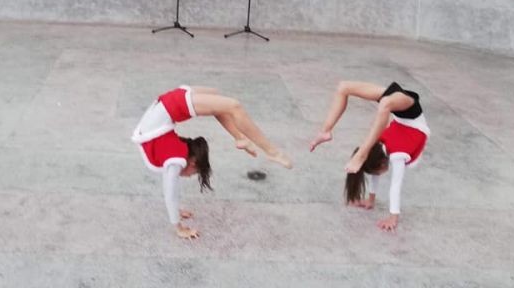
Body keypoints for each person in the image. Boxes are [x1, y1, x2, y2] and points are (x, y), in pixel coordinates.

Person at [132, 85, 292, 239]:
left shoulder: (175, 159)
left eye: (192, 174)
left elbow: (170, 192)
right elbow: (171, 193)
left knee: (233, 106)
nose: (188, 176)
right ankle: (244, 140)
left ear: (193, 163)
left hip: (175, 103)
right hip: (173, 99)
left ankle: (270, 151)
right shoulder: (173, 153)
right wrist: (177, 219)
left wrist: (178, 223)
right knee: (223, 103)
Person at [309, 81, 430, 232]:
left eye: (376, 172)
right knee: (383, 103)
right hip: (406, 110)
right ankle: (343, 143)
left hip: (403, 109)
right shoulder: (390, 152)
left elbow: (395, 185)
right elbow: (382, 176)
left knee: (344, 87)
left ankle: (326, 131)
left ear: (381, 163)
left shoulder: (391, 153)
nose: (377, 175)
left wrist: (393, 217)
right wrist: (371, 199)